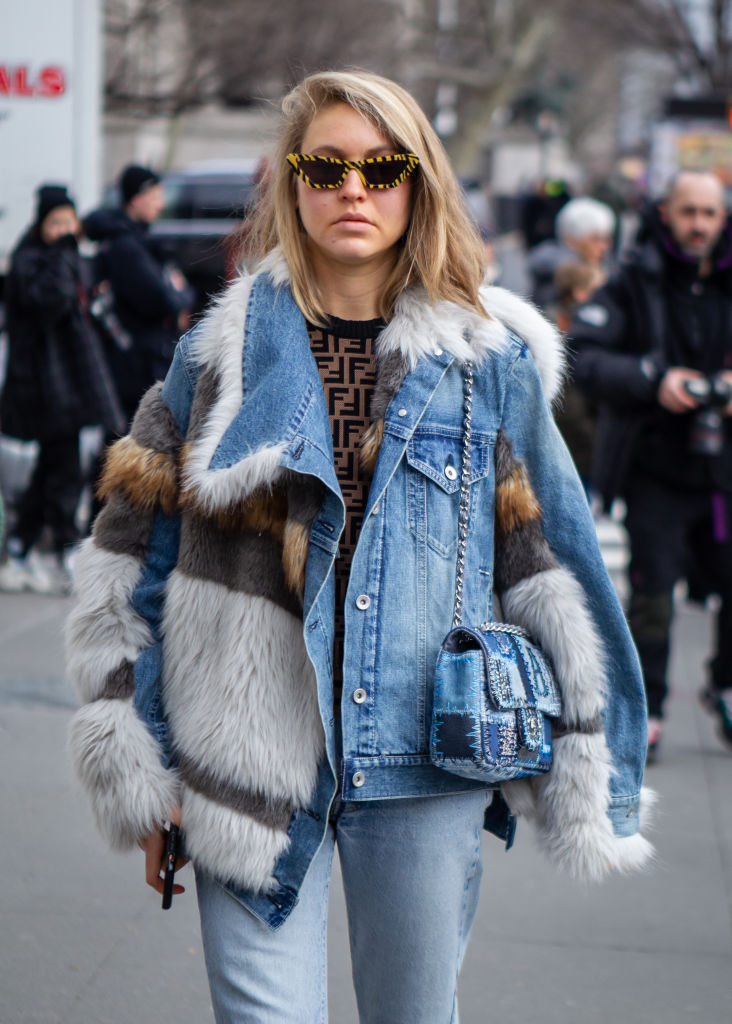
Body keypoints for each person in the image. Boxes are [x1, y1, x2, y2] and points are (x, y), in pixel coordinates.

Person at [66, 71, 653, 1023]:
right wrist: (142, 761)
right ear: (291, 184)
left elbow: (559, 561)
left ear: (417, 186)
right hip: (245, 762)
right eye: (326, 166)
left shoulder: (482, 367)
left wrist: (600, 760)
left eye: (383, 168)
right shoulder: (216, 359)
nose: (354, 189)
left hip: (422, 759)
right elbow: (131, 564)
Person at [571, 170, 732, 761]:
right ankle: (650, 708)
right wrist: (654, 380)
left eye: (708, 214)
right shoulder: (633, 281)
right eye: (687, 212)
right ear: (665, 213)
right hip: (655, 466)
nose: (698, 226)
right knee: (653, 594)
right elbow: (583, 357)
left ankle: (725, 684)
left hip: (725, 470)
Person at [0, 185, 125, 595]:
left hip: (68, 382)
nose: (63, 230)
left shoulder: (64, 258)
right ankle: (62, 550)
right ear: (40, 225)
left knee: (54, 470)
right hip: (43, 385)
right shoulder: (30, 262)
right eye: (55, 222)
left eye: (68, 221)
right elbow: (50, 300)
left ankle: (23, 548)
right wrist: (63, 254)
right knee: (64, 470)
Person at [83, 164, 194, 424]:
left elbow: (183, 289)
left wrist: (179, 294)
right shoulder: (126, 247)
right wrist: (177, 297)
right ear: (137, 198)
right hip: (134, 361)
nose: (161, 202)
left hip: (140, 357)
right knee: (133, 438)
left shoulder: (139, 239)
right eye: (155, 195)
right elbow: (161, 299)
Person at [527, 196, 616, 312]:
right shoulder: (554, 280)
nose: (604, 246)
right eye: (596, 239)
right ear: (572, 241)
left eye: (606, 239)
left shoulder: (608, 270)